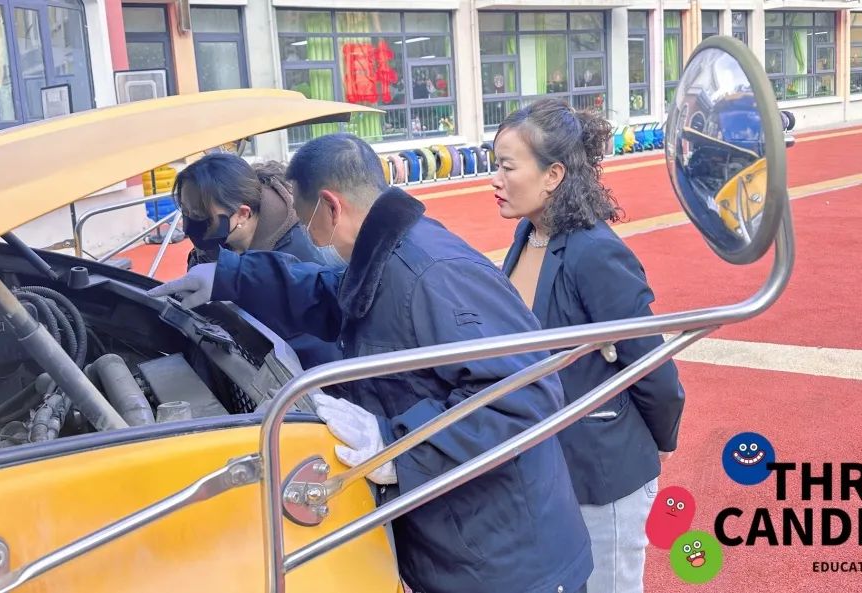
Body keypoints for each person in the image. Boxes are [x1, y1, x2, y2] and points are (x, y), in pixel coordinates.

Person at [148, 133, 594, 593]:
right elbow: (328, 292)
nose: (309, 235)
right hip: (466, 542)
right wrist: (228, 276)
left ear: (331, 207)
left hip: (509, 564)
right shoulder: (387, 253)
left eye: (306, 222)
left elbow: (524, 394)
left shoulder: (432, 273)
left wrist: (396, 445)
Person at [492, 98, 686, 593]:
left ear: (553, 174)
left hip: (605, 473)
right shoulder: (528, 234)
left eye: (507, 167)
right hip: (552, 468)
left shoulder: (595, 253)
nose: (494, 179)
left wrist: (653, 445)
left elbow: (653, 367)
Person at [173, 153, 343, 369]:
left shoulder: (304, 256)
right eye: (186, 213)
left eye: (199, 215)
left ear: (243, 214)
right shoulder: (213, 245)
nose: (188, 227)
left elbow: (319, 352)